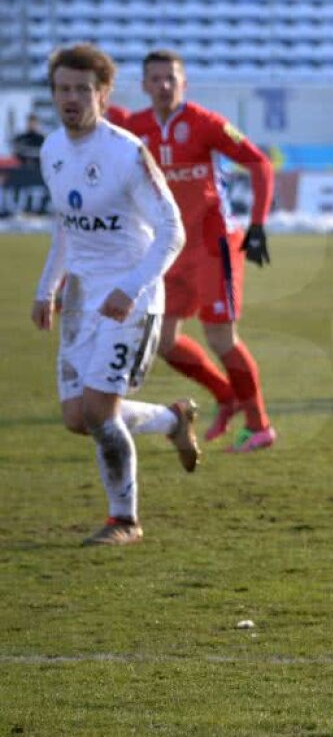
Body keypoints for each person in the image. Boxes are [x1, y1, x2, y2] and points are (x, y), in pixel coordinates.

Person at [31, 43, 200, 546]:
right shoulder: (51, 151)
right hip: (83, 298)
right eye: (63, 89)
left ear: (103, 94)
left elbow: (173, 230)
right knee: (78, 418)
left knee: (101, 412)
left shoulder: (127, 153)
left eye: (82, 89)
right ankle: (173, 419)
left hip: (133, 295)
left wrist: (131, 287)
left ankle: (124, 520)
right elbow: (68, 227)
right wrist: (48, 287)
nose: (71, 99)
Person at [124, 50, 276, 453]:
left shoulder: (205, 123)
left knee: (221, 336)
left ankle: (259, 425)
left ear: (184, 84)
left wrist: (258, 224)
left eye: (171, 78)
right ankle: (227, 395)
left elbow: (259, 163)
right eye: (155, 79)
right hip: (171, 248)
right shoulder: (133, 128)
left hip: (214, 245)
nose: (163, 85)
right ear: (144, 85)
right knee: (165, 340)